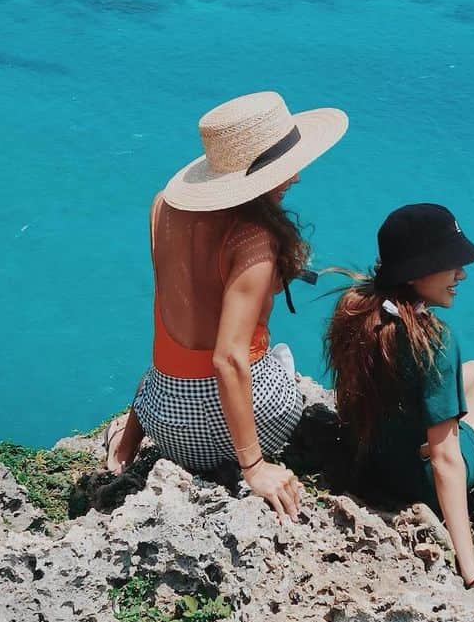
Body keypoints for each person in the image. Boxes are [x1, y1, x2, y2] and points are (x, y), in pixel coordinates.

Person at [105, 91, 348, 521]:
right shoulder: (253, 237)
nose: (294, 178)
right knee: (281, 361)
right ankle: (246, 457)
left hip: (167, 422)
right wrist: (254, 466)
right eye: (285, 169)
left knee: (167, 359)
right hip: (244, 425)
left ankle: (126, 439)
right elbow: (228, 357)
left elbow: (178, 303)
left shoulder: (161, 205)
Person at [325, 204, 474, 596]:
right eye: (452, 264)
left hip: (372, 461)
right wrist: (471, 566)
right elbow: (445, 459)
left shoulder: (358, 309)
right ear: (419, 272)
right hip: (418, 480)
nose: (461, 274)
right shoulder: (434, 341)